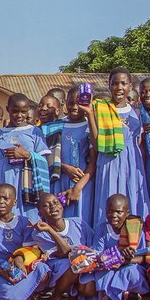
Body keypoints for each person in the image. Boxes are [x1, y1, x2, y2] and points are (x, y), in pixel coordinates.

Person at [90, 68, 148, 226]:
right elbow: (96, 144)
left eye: (123, 83)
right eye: (115, 83)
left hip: (132, 161)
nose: (119, 87)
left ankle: (134, 240)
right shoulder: (100, 109)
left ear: (130, 85)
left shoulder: (137, 111)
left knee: (132, 196)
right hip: (109, 160)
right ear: (109, 86)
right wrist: (89, 114)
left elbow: (141, 142)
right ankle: (106, 241)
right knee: (108, 196)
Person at [80, 193, 148, 300]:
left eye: (118, 212)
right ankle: (114, 298)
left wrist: (124, 260)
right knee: (101, 276)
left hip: (128, 265)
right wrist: (110, 259)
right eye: (110, 211)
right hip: (108, 266)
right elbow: (97, 253)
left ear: (127, 213)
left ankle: (132, 295)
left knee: (132, 273)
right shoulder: (102, 229)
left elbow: (143, 257)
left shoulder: (135, 229)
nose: (114, 216)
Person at [0, 94, 51, 218]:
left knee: (29, 218)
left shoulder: (34, 132)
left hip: (27, 184)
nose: (19, 115)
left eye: (23, 111)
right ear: (7, 109)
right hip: (3, 180)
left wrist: (27, 155)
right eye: (15, 111)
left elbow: (44, 162)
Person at [27, 191, 87, 300]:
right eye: (46, 205)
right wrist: (50, 229)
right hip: (60, 268)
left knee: (83, 264)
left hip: (85, 267)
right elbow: (64, 252)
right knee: (75, 263)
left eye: (56, 202)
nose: (53, 207)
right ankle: (57, 296)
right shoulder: (39, 233)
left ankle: (73, 294)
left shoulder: (78, 223)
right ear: (40, 213)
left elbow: (92, 247)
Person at [55, 86, 95, 221]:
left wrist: (78, 188)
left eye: (79, 103)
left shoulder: (90, 126)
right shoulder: (57, 126)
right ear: (65, 103)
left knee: (81, 218)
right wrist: (63, 166)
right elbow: (47, 154)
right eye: (70, 103)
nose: (74, 107)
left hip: (82, 182)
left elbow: (94, 161)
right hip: (60, 180)